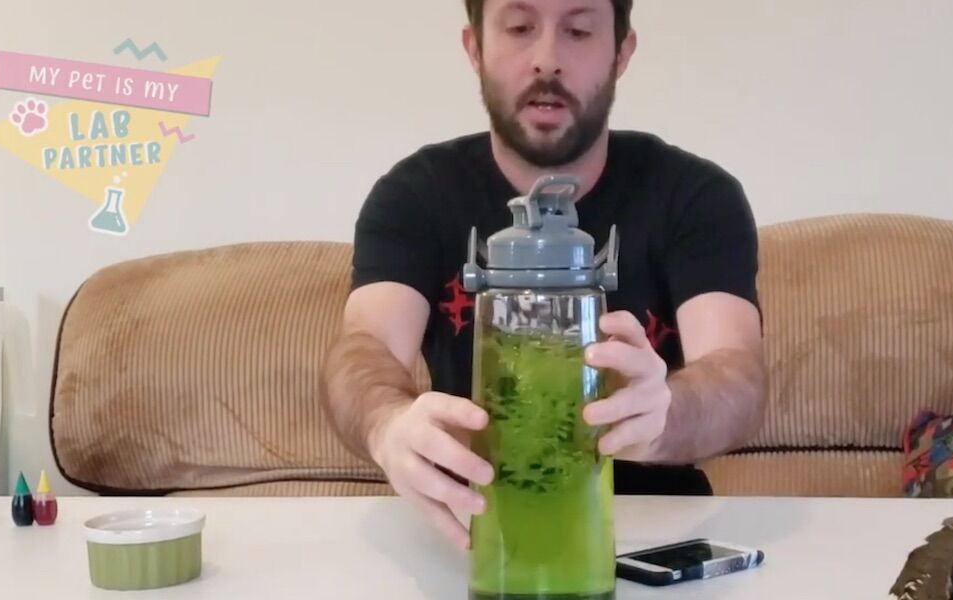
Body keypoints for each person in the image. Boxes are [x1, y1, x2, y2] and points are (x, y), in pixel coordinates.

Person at [321, 0, 766, 550]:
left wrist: (664, 414)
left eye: (579, 30)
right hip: (482, 529)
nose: (547, 60)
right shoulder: (416, 195)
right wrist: (385, 423)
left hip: (658, 534)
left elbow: (737, 373)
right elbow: (365, 347)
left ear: (621, 52)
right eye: (519, 27)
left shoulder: (696, 196)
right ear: (475, 48)